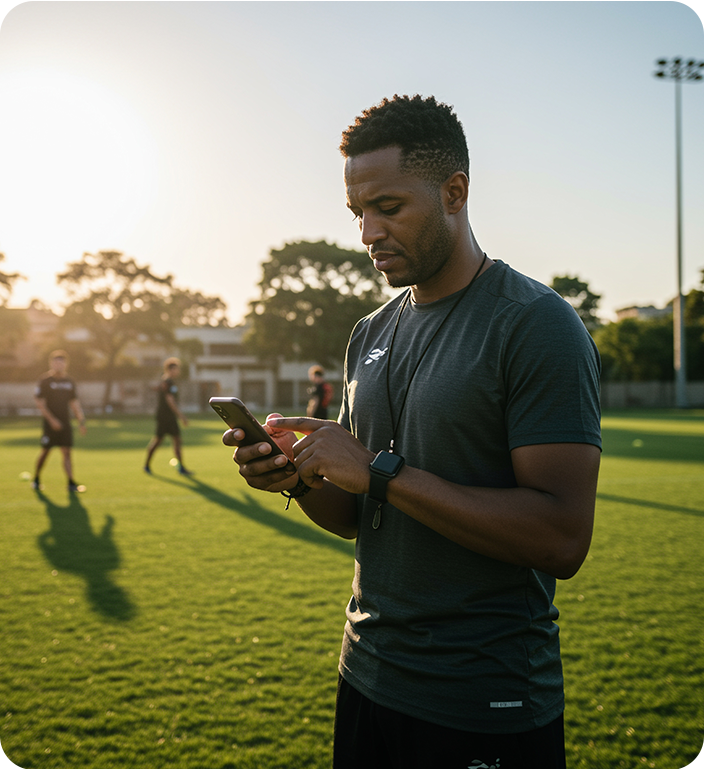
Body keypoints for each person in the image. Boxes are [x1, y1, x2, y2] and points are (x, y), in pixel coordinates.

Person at [224, 95, 601, 769]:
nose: (366, 232)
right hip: (365, 674)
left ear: (453, 191)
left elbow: (560, 538)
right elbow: (357, 515)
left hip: (482, 700)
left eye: (388, 208)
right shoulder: (369, 331)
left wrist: (375, 470)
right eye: (355, 213)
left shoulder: (534, 322)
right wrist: (300, 476)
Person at [33, 350, 87, 492]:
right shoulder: (45, 381)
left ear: (66, 364)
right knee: (45, 452)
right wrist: (52, 421)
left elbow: (74, 403)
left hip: (65, 423)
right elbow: (40, 404)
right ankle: (36, 478)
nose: (59, 365)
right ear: (51, 363)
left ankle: (71, 482)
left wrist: (81, 421)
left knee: (67, 452)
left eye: (61, 362)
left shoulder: (69, 382)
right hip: (50, 425)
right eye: (56, 362)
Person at [144, 357, 192, 475]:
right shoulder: (167, 382)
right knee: (159, 441)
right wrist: (181, 416)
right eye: (175, 369)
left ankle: (180, 467)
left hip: (167, 417)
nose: (177, 372)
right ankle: (147, 465)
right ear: (169, 370)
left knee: (176, 440)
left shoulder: (168, 382)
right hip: (165, 417)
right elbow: (170, 401)